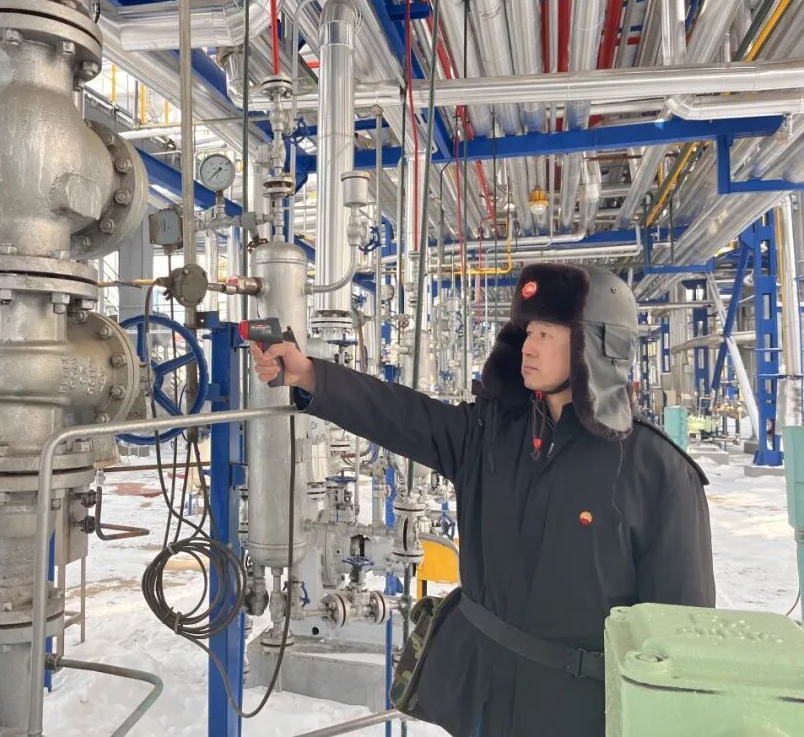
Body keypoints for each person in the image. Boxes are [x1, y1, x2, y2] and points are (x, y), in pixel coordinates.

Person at [250, 263, 715, 737]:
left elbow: (681, 638)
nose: (528, 347)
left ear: (596, 345)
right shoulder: (491, 435)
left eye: (547, 334)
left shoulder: (656, 472)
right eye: (527, 332)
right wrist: (311, 375)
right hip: (482, 700)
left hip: (577, 713)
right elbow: (402, 415)